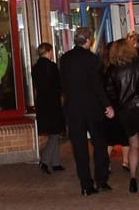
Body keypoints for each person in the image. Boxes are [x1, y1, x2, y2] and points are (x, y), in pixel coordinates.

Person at [60, 27, 115, 196]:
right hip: (92, 108)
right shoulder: (93, 59)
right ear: (89, 40)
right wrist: (107, 105)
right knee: (99, 144)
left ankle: (85, 185)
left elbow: (63, 84)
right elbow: (97, 86)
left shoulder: (65, 59)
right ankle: (101, 180)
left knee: (80, 148)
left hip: (73, 108)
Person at [104, 40, 139, 195]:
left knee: (133, 145)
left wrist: (117, 105)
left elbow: (109, 91)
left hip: (125, 111)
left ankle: (133, 178)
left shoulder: (112, 69)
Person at [30, 42, 65, 174]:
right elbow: (59, 85)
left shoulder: (35, 67)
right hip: (53, 103)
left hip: (42, 103)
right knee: (55, 133)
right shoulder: (52, 67)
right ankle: (45, 161)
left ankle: (56, 163)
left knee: (54, 133)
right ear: (49, 52)